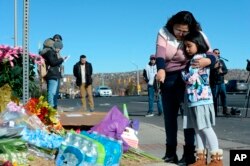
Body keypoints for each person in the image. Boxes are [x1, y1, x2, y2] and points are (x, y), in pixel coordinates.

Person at [155, 11, 216, 165]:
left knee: (188, 119)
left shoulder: (197, 34)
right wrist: (161, 69)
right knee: (169, 118)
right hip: (168, 78)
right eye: (178, 30)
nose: (181, 34)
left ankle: (189, 154)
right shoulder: (163, 32)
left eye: (184, 31)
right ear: (172, 26)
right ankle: (170, 153)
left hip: (187, 78)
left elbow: (211, 53)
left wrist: (207, 60)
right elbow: (160, 55)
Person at [182, 30, 223, 166]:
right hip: (196, 100)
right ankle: (200, 159)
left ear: (198, 44)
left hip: (201, 99)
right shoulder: (200, 57)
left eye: (189, 45)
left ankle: (216, 159)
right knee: (198, 128)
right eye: (185, 46)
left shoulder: (197, 59)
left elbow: (192, 79)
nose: (187, 49)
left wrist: (183, 74)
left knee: (205, 128)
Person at [42, 39, 67, 109]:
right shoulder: (50, 52)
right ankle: (51, 107)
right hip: (52, 74)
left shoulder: (50, 52)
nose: (59, 50)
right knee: (51, 92)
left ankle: (51, 106)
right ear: (56, 46)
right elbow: (53, 62)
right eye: (59, 48)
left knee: (52, 92)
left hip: (53, 74)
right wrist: (62, 59)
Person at [210, 48, 230, 116]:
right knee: (214, 98)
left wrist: (222, 72)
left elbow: (226, 70)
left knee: (223, 96)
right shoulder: (210, 61)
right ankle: (214, 112)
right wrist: (214, 68)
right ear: (213, 54)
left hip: (221, 82)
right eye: (216, 53)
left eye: (218, 53)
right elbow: (208, 71)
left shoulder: (221, 61)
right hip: (214, 83)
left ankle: (225, 110)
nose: (217, 54)